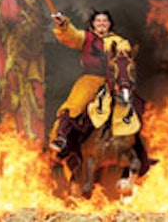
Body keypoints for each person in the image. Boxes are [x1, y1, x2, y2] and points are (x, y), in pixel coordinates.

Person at [48, 10, 133, 154]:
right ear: (93, 24)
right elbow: (72, 36)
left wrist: (119, 54)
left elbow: (124, 53)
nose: (101, 23)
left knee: (132, 107)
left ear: (109, 24)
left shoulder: (119, 41)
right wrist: (64, 25)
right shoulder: (86, 37)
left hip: (114, 80)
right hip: (91, 79)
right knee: (75, 104)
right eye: (98, 21)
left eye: (104, 21)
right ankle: (62, 136)